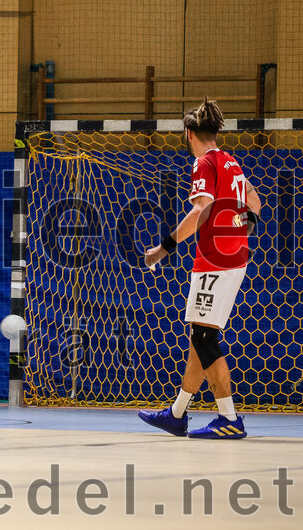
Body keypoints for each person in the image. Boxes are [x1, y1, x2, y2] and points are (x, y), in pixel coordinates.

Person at [140, 99, 260, 439]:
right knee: (200, 334)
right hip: (235, 257)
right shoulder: (231, 163)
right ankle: (177, 414)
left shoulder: (204, 164)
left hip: (214, 262)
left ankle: (230, 419)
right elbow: (256, 203)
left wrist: (163, 249)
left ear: (189, 133)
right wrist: (238, 227)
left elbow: (200, 213)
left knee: (204, 337)